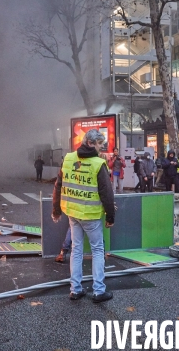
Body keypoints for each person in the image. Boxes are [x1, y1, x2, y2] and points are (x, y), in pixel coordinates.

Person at [51, 129, 115, 303]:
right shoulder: (98, 164)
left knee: (76, 250)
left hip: (72, 213)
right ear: (90, 143)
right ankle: (99, 291)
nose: (102, 147)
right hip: (91, 216)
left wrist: (56, 210)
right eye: (99, 144)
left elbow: (58, 186)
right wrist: (111, 216)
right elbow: (107, 194)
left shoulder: (69, 158)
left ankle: (75, 289)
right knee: (97, 250)